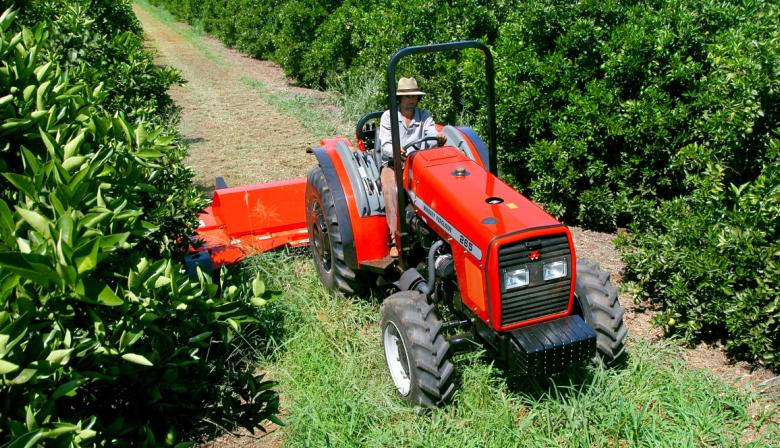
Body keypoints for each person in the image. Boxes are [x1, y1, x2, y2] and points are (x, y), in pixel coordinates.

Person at [377, 77, 446, 257]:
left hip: (419, 165)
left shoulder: (424, 116)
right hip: (394, 165)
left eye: (414, 96)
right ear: (399, 98)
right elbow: (385, 145)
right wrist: (395, 150)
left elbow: (432, 135)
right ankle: (394, 238)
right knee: (392, 189)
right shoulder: (388, 116)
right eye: (407, 97)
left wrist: (439, 139)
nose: (411, 100)